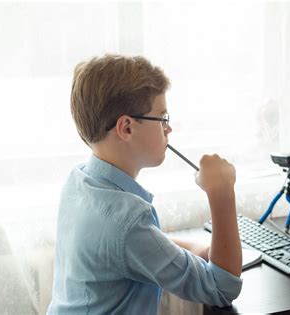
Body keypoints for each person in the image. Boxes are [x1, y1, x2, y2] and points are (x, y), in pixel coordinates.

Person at [47, 54, 242, 315]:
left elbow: (135, 244)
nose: (168, 129)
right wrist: (222, 192)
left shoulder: (79, 180)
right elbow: (221, 288)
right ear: (126, 127)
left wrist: (196, 251)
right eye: (162, 118)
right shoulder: (127, 221)